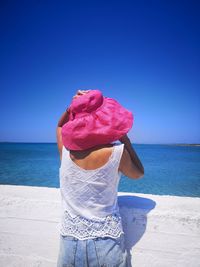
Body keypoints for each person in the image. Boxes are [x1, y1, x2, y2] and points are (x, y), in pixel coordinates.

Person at [56, 89, 144, 267]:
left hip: (69, 242)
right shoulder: (116, 153)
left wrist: (72, 106)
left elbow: (59, 127)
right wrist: (125, 140)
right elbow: (138, 173)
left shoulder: (65, 152)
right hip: (106, 243)